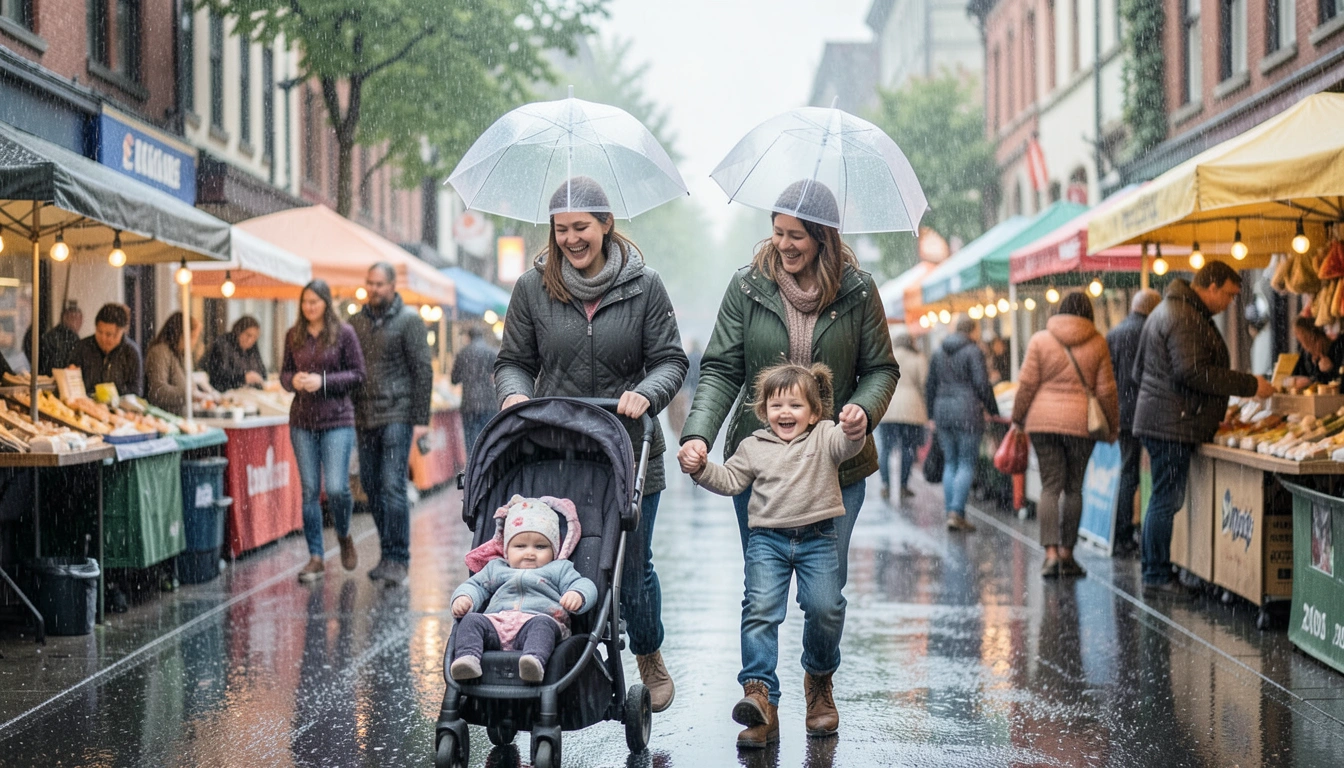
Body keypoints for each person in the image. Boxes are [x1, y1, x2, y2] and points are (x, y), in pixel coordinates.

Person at [495, 176, 687, 712]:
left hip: (627, 450)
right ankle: (553, 647)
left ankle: (647, 651)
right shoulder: (531, 290)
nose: (571, 240)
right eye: (561, 230)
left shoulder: (644, 286)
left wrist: (645, 394)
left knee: (630, 565)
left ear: (606, 225)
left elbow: (671, 360)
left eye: (581, 227)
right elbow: (513, 361)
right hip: (557, 451)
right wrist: (514, 395)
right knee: (561, 558)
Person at [679, 180, 899, 580]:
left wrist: (863, 411)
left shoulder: (859, 291)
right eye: (777, 232)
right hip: (758, 464)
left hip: (835, 466)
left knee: (825, 599)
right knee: (761, 595)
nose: (784, 244)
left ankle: (821, 647)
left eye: (796, 235)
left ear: (822, 238)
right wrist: (698, 434)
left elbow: (881, 368)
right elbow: (722, 370)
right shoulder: (747, 287)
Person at [680, 363, 863, 748]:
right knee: (760, 609)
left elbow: (848, 447)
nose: (785, 413)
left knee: (826, 607)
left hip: (818, 538)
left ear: (815, 412)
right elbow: (729, 481)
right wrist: (699, 469)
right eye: (776, 405)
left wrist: (854, 429)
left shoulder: (826, 436)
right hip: (767, 541)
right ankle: (759, 696)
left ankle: (819, 675)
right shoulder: (752, 447)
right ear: (763, 411)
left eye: (796, 406)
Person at [1133, 262, 1275, 599]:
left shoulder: (1172, 311)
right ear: (1210, 286)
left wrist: (1205, 417)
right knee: (1166, 500)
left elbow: (1142, 373)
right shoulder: (1183, 316)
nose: (1230, 302)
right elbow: (1193, 373)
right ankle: (1155, 575)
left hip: (1168, 420)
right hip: (1172, 425)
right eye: (1228, 294)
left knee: (1163, 498)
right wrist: (1249, 384)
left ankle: (1156, 570)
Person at [1011, 292, 1120, 578]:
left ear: (1059, 310)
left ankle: (1049, 556)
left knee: (1050, 487)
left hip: (1042, 423)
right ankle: (1067, 554)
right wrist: (1112, 427)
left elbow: (1026, 385)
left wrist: (1018, 418)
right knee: (1074, 488)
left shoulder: (1040, 340)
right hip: (1081, 425)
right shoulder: (1097, 342)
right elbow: (1107, 391)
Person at [449, 496, 597, 683]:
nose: (529, 553)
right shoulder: (497, 567)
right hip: (497, 624)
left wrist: (577, 595)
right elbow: (475, 585)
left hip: (538, 621)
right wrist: (465, 598)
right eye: (520, 546)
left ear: (554, 550)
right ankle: (467, 659)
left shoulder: (559, 568)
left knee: (543, 626)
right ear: (506, 549)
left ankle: (533, 661)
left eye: (540, 546)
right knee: (470, 621)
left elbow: (585, 584)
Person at [350, 263, 434, 587]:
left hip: (397, 414)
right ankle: (386, 554)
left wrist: (421, 420)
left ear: (392, 286)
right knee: (371, 485)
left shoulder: (409, 321)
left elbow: (422, 371)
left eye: (380, 284)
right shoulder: (355, 322)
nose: (373, 289)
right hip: (364, 415)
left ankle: (399, 558)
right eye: (369, 283)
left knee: (392, 484)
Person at [281, 280, 366, 583]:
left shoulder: (344, 333)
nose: (309, 307)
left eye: (314, 302)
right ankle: (315, 556)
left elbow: (358, 374)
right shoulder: (294, 335)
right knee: (308, 490)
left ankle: (343, 534)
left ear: (326, 304)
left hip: (337, 420)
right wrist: (294, 381)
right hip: (302, 421)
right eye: (305, 302)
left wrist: (324, 381)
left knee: (336, 488)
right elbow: (284, 373)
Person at [925, 317, 999, 531]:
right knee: (966, 462)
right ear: (972, 331)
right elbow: (982, 384)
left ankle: (951, 511)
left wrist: (931, 414)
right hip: (967, 411)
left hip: (942, 411)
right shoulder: (973, 351)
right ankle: (957, 511)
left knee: (951, 462)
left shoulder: (939, 352)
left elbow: (930, 385)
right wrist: (993, 409)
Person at [1106, 289, 1162, 558]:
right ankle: (1142, 533)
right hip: (1151, 412)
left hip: (1123, 413)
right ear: (1152, 307)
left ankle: (1122, 533)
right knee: (1157, 472)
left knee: (1128, 472)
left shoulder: (1115, 333)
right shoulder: (1153, 331)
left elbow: (1108, 376)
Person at [877, 330, 928, 501]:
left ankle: (886, 485)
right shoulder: (918, 358)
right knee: (907, 447)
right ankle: (903, 485)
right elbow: (924, 383)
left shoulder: (886, 357)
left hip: (888, 407)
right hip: (911, 408)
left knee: (886, 448)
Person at [69, 303, 143, 397]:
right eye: (99, 332)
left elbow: (136, 391)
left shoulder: (131, 352)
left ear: (120, 332)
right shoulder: (82, 347)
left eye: (108, 334)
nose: (103, 339)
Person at [450, 324, 498, 453]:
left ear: (468, 337)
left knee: (471, 443)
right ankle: (487, 469)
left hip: (469, 404)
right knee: (487, 440)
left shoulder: (462, 353)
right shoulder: (491, 352)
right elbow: (498, 377)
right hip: (489, 403)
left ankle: (473, 471)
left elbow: (454, 379)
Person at [145, 312, 202, 416]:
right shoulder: (160, 352)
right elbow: (158, 391)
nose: (195, 342)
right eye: (193, 337)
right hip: (166, 418)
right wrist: (189, 395)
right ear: (180, 335)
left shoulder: (180, 355)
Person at [201, 316, 268, 392]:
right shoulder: (223, 344)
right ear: (238, 331)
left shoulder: (253, 347)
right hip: (225, 393)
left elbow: (263, 373)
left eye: (255, 337)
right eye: (248, 335)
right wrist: (243, 378)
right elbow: (217, 379)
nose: (250, 340)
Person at [25, 302, 83, 375]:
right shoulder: (69, 337)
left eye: (80, 320)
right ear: (65, 318)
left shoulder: (53, 334)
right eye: (75, 319)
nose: (79, 323)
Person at [1291, 317, 1344, 384]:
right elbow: (1296, 375)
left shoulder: (1338, 347)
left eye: (1308, 341)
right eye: (1302, 342)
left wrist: (1332, 370)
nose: (1305, 346)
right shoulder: (1306, 355)